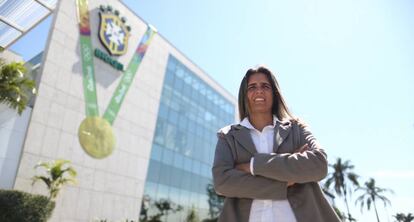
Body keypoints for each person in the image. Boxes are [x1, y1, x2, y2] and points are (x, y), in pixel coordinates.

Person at [212, 66, 340, 222]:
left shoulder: (296, 128)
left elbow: (319, 165)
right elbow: (222, 182)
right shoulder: (228, 136)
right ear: (245, 95)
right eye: (252, 87)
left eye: (265, 86)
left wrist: (253, 165)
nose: (259, 91)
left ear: (274, 94)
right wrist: (285, 181)